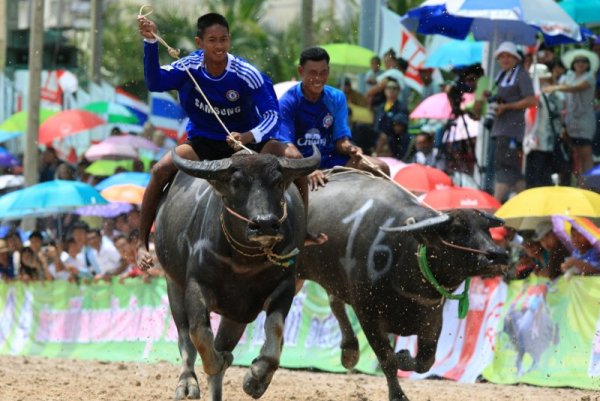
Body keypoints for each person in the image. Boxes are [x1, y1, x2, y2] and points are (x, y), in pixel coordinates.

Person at [137, 12, 280, 263]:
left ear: (229, 40)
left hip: (244, 145)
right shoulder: (187, 67)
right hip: (203, 142)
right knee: (160, 170)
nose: (219, 46)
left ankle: (303, 232)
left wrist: (247, 136)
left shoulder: (246, 73)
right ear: (199, 42)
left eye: (223, 40)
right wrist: (150, 43)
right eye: (212, 40)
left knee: (291, 156)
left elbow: (272, 115)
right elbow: (154, 82)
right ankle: (141, 243)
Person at [265, 46, 390, 230]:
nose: (318, 78)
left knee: (380, 167)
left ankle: (378, 224)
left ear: (328, 72)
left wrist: (350, 148)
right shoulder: (288, 101)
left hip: (330, 158)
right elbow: (288, 147)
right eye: (313, 73)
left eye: (323, 73)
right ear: (301, 72)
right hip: (300, 162)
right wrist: (306, 169)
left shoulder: (337, 97)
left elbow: (341, 141)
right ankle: (301, 229)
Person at [488, 41, 536, 202]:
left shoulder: (521, 75)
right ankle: (527, 206)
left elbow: (531, 100)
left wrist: (507, 107)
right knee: (514, 171)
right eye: (502, 56)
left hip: (511, 130)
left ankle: (495, 204)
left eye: (508, 56)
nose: (505, 59)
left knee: (504, 166)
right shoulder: (501, 75)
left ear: (516, 58)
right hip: (500, 128)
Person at [545, 49, 599, 185]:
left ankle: (590, 187)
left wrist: (556, 87)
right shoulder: (567, 78)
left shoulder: (589, 77)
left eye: (584, 61)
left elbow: (576, 88)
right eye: (578, 61)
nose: (580, 63)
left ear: (588, 64)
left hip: (584, 123)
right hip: (570, 123)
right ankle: (578, 185)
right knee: (574, 157)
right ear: (573, 64)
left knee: (585, 155)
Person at [523, 64, 564, 188]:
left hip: (545, 143)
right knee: (532, 178)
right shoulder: (532, 93)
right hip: (532, 143)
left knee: (541, 180)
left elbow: (555, 114)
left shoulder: (551, 94)